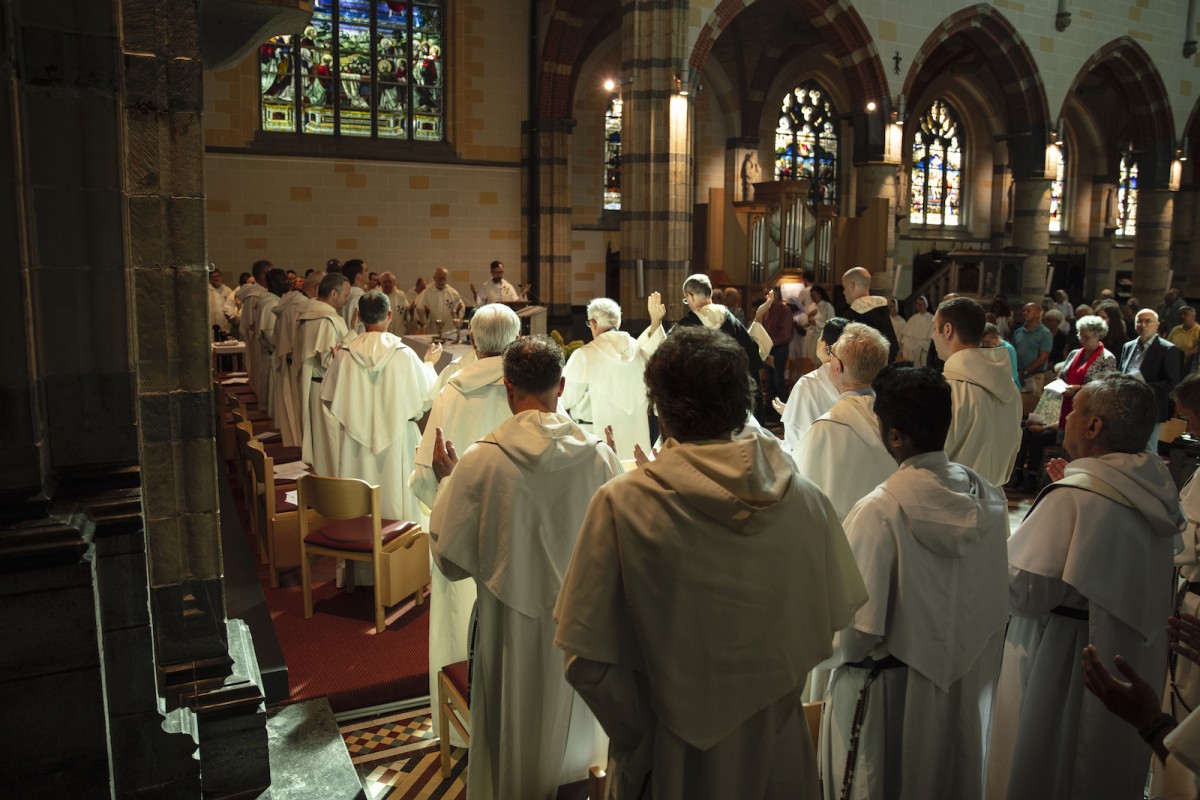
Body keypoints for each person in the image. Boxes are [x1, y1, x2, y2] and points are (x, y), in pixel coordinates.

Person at [555, 326, 868, 800]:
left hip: (670, 758)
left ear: (658, 406)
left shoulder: (622, 503)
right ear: (744, 403)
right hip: (775, 748)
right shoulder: (806, 500)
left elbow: (588, 663)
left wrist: (642, 742)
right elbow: (828, 623)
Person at [429, 335, 616, 799]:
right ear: (563, 385)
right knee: (577, 744)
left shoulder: (479, 461)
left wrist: (447, 483)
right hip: (584, 633)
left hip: (508, 633)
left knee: (512, 735)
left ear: (508, 389)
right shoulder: (599, 455)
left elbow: (450, 563)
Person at [985, 373, 1185, 800]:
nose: (1067, 419)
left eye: (1074, 412)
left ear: (1094, 427)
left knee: (1052, 763)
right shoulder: (1155, 487)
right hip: (1131, 657)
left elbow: (1025, 594)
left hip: (1064, 660)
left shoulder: (1076, 496)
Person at [819, 366, 1009, 800]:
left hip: (885, 699)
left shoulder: (880, 510)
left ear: (895, 436)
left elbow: (858, 629)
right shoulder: (989, 498)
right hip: (958, 692)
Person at [409, 303, 521, 737]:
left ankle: (460, 729)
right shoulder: (528, 387)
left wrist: (437, 499)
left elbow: (424, 473)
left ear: (472, 340)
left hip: (460, 526)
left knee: (460, 617)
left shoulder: (451, 390)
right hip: (515, 527)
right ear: (514, 341)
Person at [321, 291, 439, 523]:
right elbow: (427, 396)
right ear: (390, 315)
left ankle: (358, 550)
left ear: (358, 316)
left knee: (358, 510)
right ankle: (398, 554)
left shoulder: (345, 354)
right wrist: (429, 364)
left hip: (355, 445)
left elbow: (328, 398)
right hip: (398, 440)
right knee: (398, 501)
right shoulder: (403, 353)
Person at [794, 322, 895, 519]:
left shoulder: (825, 428)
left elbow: (799, 489)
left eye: (832, 354)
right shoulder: (896, 421)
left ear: (837, 367)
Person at [559, 294, 665, 461]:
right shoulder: (639, 353)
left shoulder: (584, 355)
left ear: (593, 323)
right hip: (636, 441)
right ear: (619, 322)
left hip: (595, 438)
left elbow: (564, 399)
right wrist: (655, 323)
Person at [931, 297, 1022, 487]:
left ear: (948, 330)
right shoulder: (1010, 387)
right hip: (994, 503)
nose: (932, 336)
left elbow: (930, 459)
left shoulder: (945, 390)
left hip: (952, 502)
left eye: (934, 328)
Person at [295, 272, 356, 476]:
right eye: (345, 295)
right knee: (330, 445)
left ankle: (325, 485)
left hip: (315, 388)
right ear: (333, 293)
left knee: (323, 445)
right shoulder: (325, 319)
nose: (347, 299)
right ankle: (333, 494)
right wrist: (353, 334)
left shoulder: (309, 313)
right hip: (325, 391)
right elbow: (331, 361)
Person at [671, 274, 763, 386]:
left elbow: (664, 356)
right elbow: (751, 358)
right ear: (710, 293)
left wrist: (656, 322)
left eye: (686, 299)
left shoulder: (686, 326)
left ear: (691, 296)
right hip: (731, 394)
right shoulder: (731, 320)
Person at [1120, 308, 1183, 451]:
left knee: (1147, 450)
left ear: (1157, 325)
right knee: (1126, 448)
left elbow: (1172, 383)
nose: (1143, 325)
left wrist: (1144, 386)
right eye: (1139, 321)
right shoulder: (1128, 346)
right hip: (1126, 406)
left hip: (1151, 406)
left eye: (1148, 321)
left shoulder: (1167, 349)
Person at [781, 317, 847, 449]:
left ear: (825, 346)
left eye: (820, 337)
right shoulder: (859, 380)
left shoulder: (806, 384)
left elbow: (795, 439)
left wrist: (792, 411)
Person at [272, 270, 321, 448]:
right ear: (317, 288)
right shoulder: (303, 308)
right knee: (300, 419)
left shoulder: (290, 304)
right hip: (298, 368)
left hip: (289, 365)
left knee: (293, 415)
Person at [841, 267, 900, 361]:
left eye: (844, 287)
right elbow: (892, 347)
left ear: (852, 285)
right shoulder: (882, 309)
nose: (843, 292)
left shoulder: (851, 315)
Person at [238, 260, 272, 394]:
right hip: (258, 343)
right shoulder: (254, 295)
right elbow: (249, 324)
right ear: (262, 275)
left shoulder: (266, 292)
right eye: (269, 272)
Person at [760, 286, 795, 408]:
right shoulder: (766, 310)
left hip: (779, 348)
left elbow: (785, 334)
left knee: (778, 379)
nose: (767, 297)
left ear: (778, 295)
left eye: (769, 294)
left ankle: (782, 409)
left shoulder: (784, 310)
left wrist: (769, 343)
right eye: (765, 295)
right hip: (768, 348)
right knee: (769, 381)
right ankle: (770, 408)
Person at [1012, 302, 1052, 393]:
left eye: (1028, 311)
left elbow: (1042, 358)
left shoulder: (1045, 333)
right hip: (1017, 375)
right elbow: (1013, 352)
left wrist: (1025, 372)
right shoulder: (1018, 332)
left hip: (1034, 376)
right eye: (1024, 311)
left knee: (1032, 403)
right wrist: (1016, 372)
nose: (1025, 313)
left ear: (1038, 313)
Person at [415, 267, 465, 334]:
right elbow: (419, 310)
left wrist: (457, 312)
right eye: (440, 278)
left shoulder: (453, 293)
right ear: (434, 278)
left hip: (449, 331)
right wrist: (426, 313)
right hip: (432, 331)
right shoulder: (426, 293)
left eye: (444, 278)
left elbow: (460, 310)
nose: (442, 281)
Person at [981, 322, 1020, 389]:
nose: (984, 345)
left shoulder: (1008, 349)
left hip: (1008, 388)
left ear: (995, 338)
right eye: (982, 342)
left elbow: (1013, 374)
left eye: (987, 342)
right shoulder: (983, 348)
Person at [900, 295, 933, 365]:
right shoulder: (913, 318)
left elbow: (929, 339)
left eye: (921, 304)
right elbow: (906, 338)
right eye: (917, 304)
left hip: (924, 352)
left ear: (926, 305)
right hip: (912, 353)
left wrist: (920, 346)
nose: (919, 306)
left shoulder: (931, 319)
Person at [340, 259, 369, 331]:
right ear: (358, 276)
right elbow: (354, 328)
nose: (368, 273)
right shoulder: (357, 298)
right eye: (365, 270)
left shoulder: (345, 296)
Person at [377, 272, 409, 337]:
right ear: (381, 283)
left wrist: (410, 311)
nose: (387, 284)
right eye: (385, 282)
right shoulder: (376, 296)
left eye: (389, 282)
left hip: (398, 333)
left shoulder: (401, 295)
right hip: (380, 333)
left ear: (394, 283)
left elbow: (406, 313)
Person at [208, 269, 237, 337]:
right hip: (212, 325)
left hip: (226, 325)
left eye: (217, 276)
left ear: (221, 277)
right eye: (213, 277)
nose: (216, 278)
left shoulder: (228, 290)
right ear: (210, 279)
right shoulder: (207, 291)